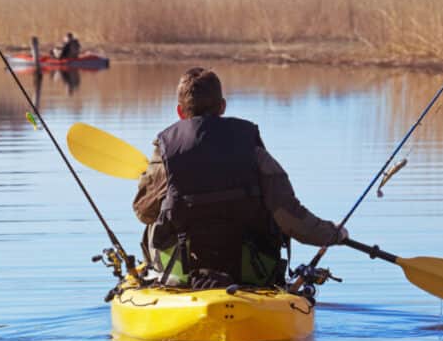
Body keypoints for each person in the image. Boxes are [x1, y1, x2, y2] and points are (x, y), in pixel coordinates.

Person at [133, 67, 347, 288]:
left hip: (184, 275)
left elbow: (143, 211)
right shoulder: (253, 151)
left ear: (180, 112)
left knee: (155, 221)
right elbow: (290, 215)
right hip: (250, 272)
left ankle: (160, 279)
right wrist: (333, 233)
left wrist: (150, 180)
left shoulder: (166, 152)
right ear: (222, 106)